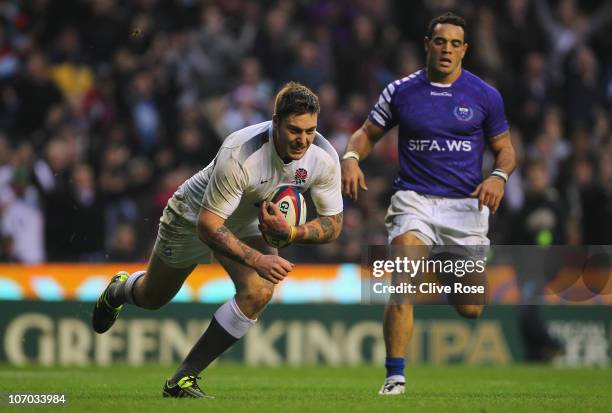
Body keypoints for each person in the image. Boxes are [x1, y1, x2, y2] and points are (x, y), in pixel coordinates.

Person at [92, 82, 343, 398]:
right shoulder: (241, 152)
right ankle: (119, 291)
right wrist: (259, 259)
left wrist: (292, 233)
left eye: (310, 130)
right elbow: (209, 228)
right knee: (152, 298)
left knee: (259, 291)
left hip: (247, 222)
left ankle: (183, 379)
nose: (302, 139)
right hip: (193, 215)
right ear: (275, 121)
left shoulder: (323, 157)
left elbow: (334, 225)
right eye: (294, 129)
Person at [341, 12, 516, 395]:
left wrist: (498, 177)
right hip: (414, 201)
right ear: (427, 44)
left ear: (465, 50)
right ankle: (395, 377)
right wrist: (351, 159)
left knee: (471, 308)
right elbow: (365, 135)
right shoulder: (401, 91)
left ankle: (436, 261)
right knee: (402, 282)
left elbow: (505, 151)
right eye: (440, 42)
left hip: (464, 209)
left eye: (455, 44)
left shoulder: (485, 96)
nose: (447, 50)